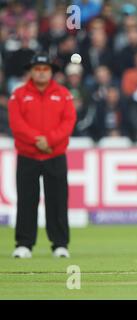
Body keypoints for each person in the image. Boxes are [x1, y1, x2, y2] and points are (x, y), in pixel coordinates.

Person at [8, 52, 76, 258]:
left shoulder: (63, 94)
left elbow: (68, 122)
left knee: (57, 199)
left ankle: (60, 244)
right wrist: (38, 140)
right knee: (27, 200)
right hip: (28, 155)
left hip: (54, 155)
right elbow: (17, 124)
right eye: (37, 69)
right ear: (31, 71)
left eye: (45, 69)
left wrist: (50, 141)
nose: (41, 73)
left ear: (51, 72)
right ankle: (24, 244)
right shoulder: (18, 94)